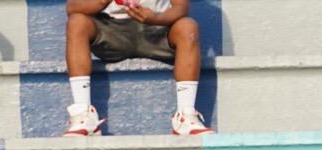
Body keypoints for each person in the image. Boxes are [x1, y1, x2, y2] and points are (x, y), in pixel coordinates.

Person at [62, 0, 211, 137]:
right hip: (111, 32)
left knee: (188, 26)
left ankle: (185, 116)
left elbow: (181, 8)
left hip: (158, 28)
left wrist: (156, 19)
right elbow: (73, 7)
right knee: (76, 22)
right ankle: (83, 114)